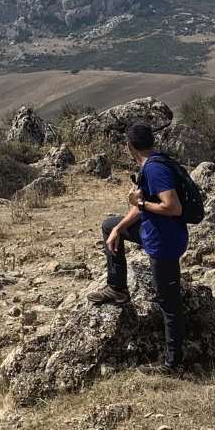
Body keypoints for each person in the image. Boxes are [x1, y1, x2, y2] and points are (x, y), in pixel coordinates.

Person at [87, 121, 188, 370]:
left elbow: (173, 207)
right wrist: (119, 229)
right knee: (109, 226)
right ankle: (117, 288)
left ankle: (173, 363)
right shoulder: (151, 164)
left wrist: (141, 205)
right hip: (153, 233)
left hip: (164, 242)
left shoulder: (155, 170)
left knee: (169, 302)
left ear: (129, 146)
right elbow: (139, 206)